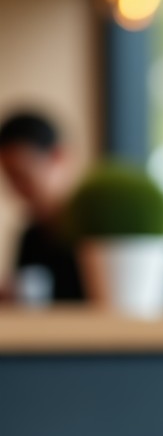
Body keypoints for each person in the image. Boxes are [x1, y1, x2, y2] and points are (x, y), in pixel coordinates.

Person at [0, 111, 85, 302]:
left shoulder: (99, 233)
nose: (15, 189)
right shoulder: (31, 237)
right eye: (9, 178)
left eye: (21, 176)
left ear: (58, 157)